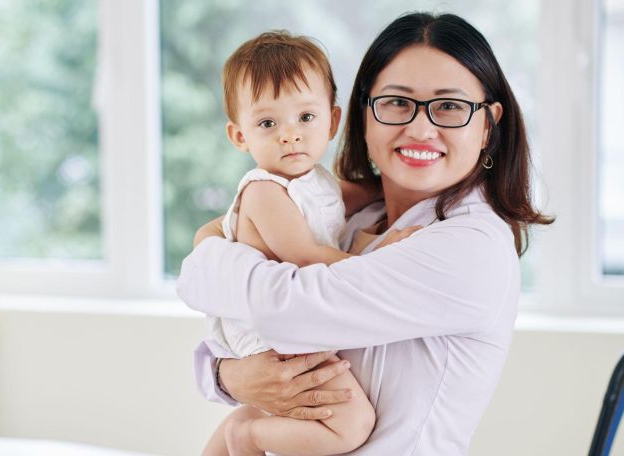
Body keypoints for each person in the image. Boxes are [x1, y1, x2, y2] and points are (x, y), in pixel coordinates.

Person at [178, 12, 553, 456]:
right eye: (397, 102)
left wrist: (205, 261)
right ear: (362, 114)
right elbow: (239, 313)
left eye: (449, 106)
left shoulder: (472, 245)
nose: (420, 127)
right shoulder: (347, 217)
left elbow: (277, 310)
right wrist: (230, 375)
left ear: (488, 124)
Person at [200, 31, 419, 456]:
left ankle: (246, 427)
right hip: (269, 335)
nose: (290, 135)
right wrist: (383, 254)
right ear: (240, 136)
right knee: (351, 423)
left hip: (293, 322)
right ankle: (245, 435)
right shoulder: (265, 191)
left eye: (306, 117)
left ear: (333, 122)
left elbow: (366, 190)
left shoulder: (315, 181)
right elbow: (307, 256)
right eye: (268, 123)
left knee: (312, 418)